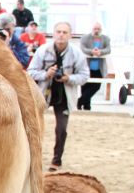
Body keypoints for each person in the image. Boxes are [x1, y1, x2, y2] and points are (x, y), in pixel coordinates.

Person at [27, 21, 89, 172]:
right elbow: (30, 71)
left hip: (64, 95)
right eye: (59, 32)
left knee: (61, 128)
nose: (61, 35)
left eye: (65, 32)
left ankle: (57, 160)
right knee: (34, 126)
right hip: (44, 93)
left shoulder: (76, 53)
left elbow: (84, 75)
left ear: (70, 35)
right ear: (53, 34)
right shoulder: (42, 51)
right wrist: (46, 74)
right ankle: (32, 158)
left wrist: (69, 78)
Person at [76, 22, 111, 111]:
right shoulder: (85, 38)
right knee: (85, 87)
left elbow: (108, 49)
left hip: (98, 67)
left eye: (98, 29)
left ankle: (79, 101)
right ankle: (87, 107)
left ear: (101, 30)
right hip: (86, 66)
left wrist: (100, 52)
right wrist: (92, 51)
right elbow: (83, 48)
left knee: (96, 86)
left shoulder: (106, 39)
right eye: (95, 29)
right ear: (92, 29)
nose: (96, 31)